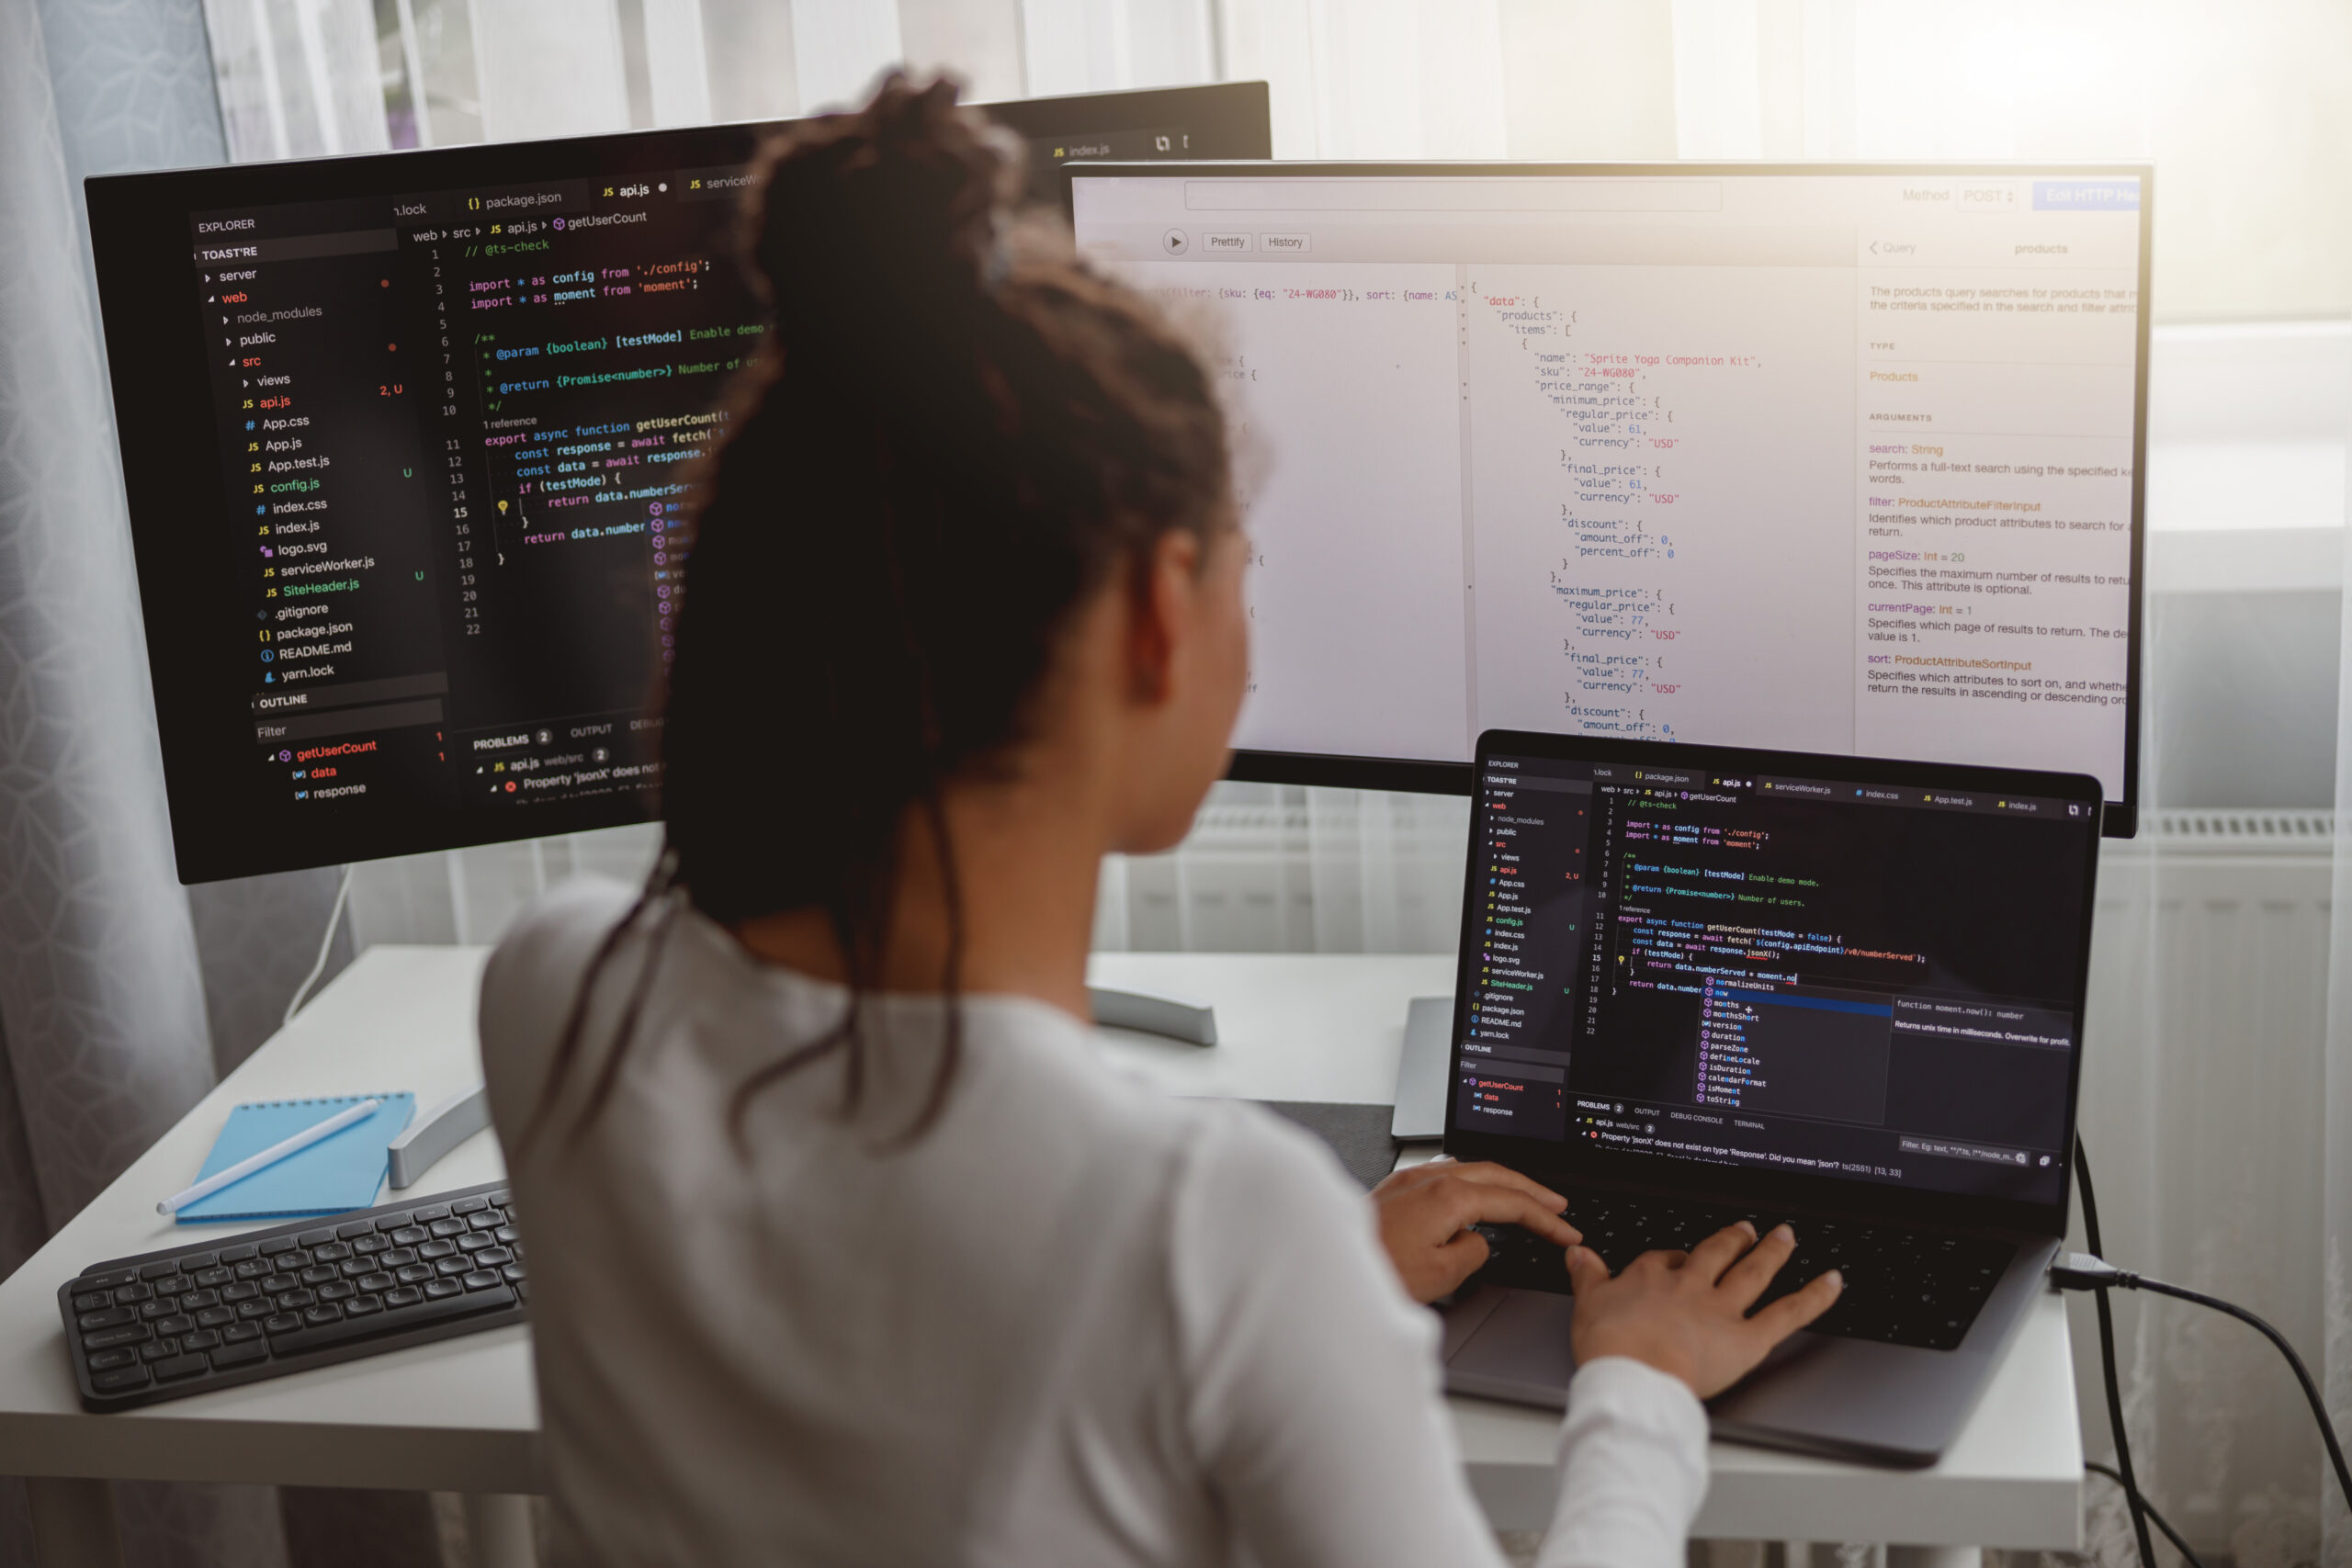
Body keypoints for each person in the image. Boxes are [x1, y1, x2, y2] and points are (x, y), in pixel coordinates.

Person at [479, 74, 1842, 1568]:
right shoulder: (1210, 1234)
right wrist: (1638, 1396)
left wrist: (1325, 1278)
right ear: (1151, 616)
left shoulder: (560, 992)